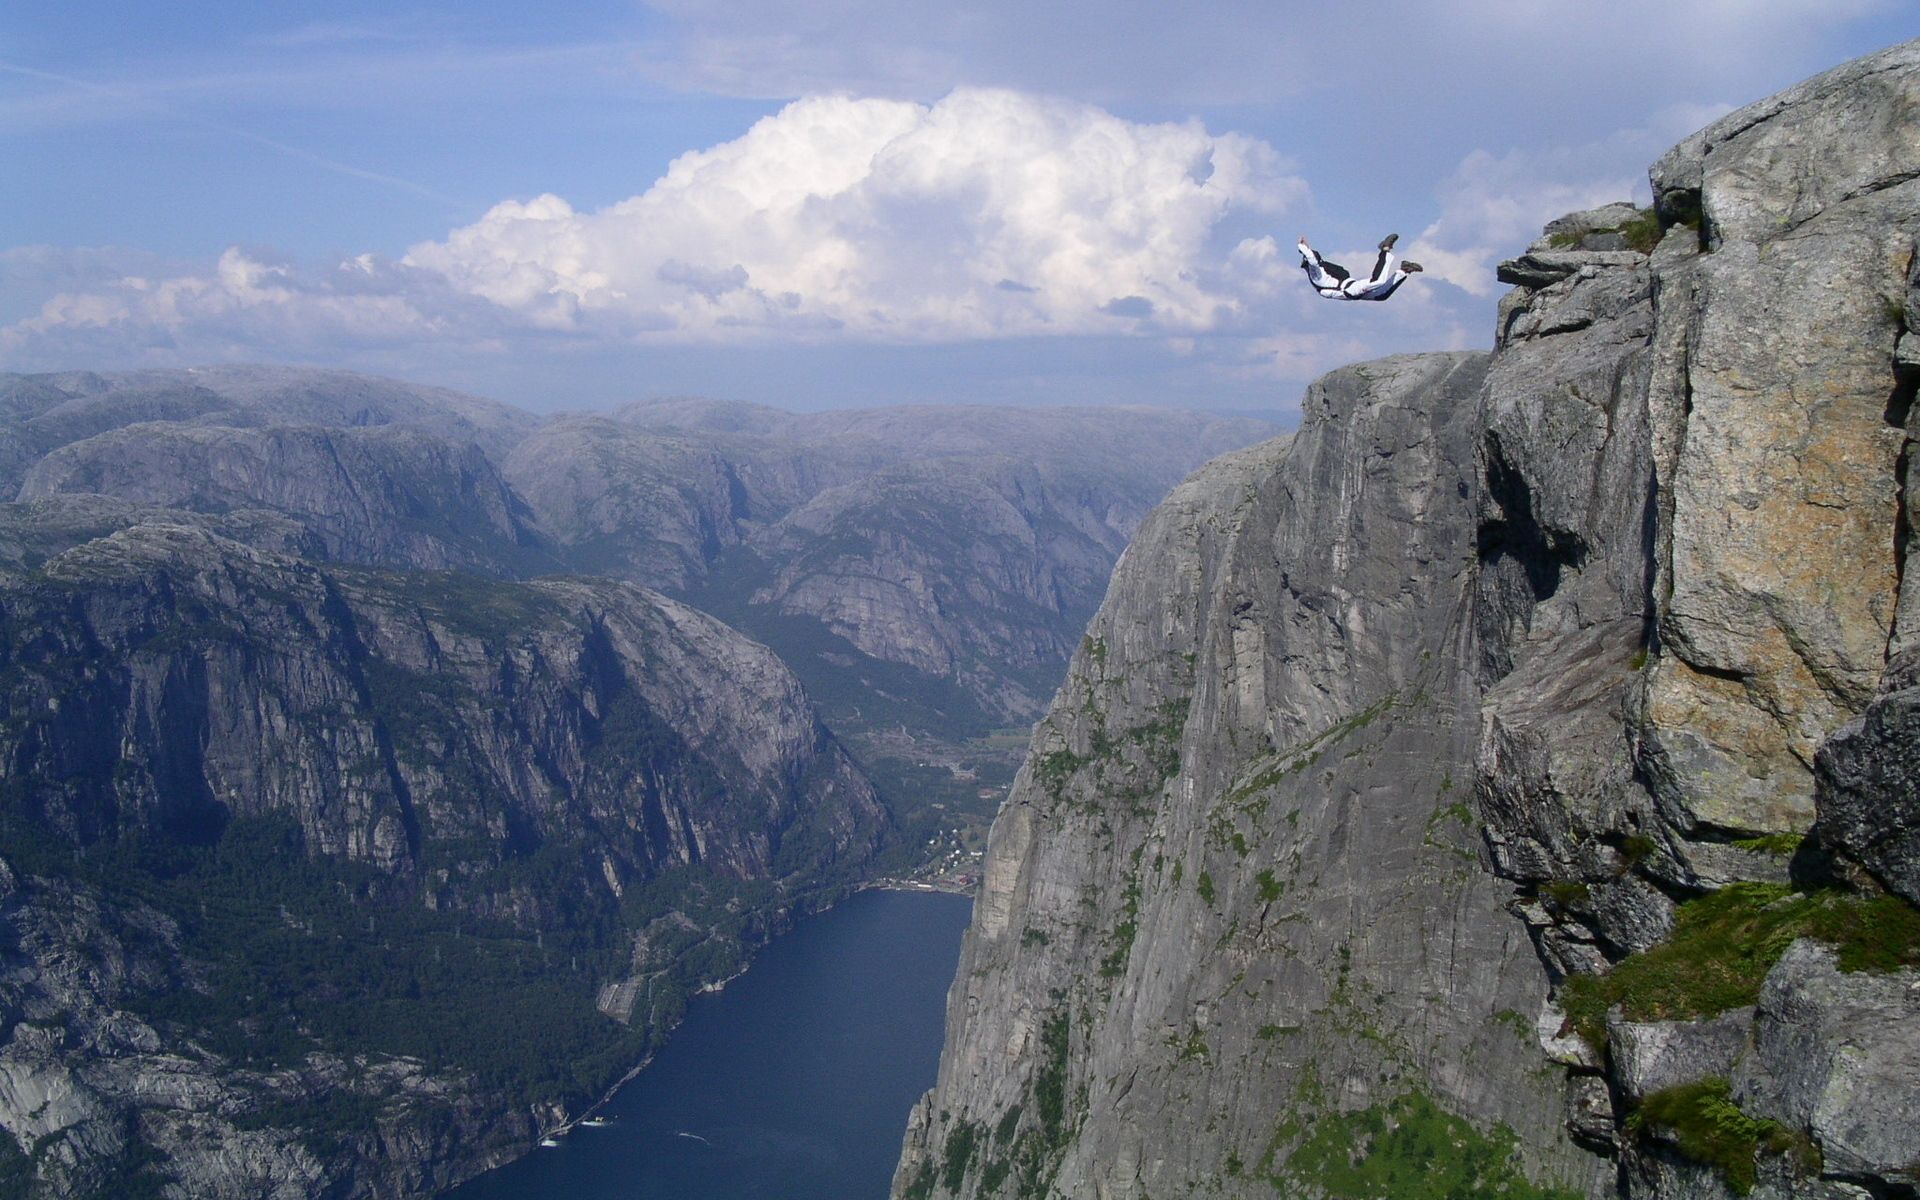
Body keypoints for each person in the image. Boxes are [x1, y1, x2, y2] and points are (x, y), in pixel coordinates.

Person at [1298, 233, 1422, 301]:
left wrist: (1303, 247)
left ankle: (1385, 249)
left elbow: (1312, 259)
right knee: (1382, 295)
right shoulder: (1316, 273)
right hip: (1350, 291)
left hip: (1350, 289)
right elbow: (1312, 259)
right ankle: (1404, 270)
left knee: (1378, 281)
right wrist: (1304, 249)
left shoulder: (1317, 270)